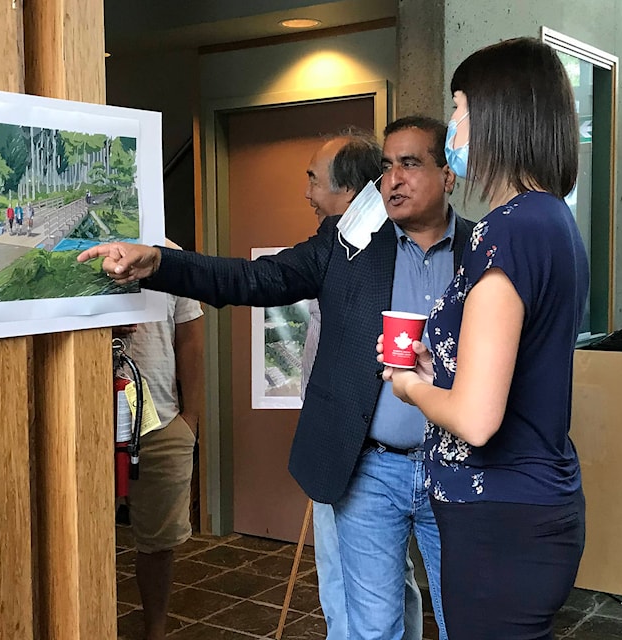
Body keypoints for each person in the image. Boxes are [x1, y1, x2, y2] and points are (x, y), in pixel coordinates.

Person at [79, 116, 474, 639]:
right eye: (386, 167)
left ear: (448, 175)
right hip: (372, 471)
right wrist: (160, 263)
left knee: (467, 621)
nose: (393, 179)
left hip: (458, 468)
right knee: (373, 628)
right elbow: (256, 279)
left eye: (410, 164)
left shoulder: (484, 250)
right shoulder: (349, 244)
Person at [378, 37, 589, 640]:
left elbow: (475, 418)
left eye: (459, 110)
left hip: (503, 518)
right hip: (525, 510)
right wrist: (435, 364)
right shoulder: (549, 218)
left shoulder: (510, 231)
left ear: (498, 117)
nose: (451, 129)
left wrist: (410, 385)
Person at [300, 130, 422, 640]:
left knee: (355, 586)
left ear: (349, 192)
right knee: (383, 585)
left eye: (312, 179)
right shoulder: (340, 243)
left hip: (371, 455)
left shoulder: (374, 249)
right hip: (340, 445)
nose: (306, 192)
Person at [115, 250, 204, 640]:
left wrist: (192, 419)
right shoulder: (74, 252)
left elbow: (191, 339)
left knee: (159, 542)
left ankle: (156, 630)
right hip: (79, 425)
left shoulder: (170, 256)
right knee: (76, 536)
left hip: (161, 421)